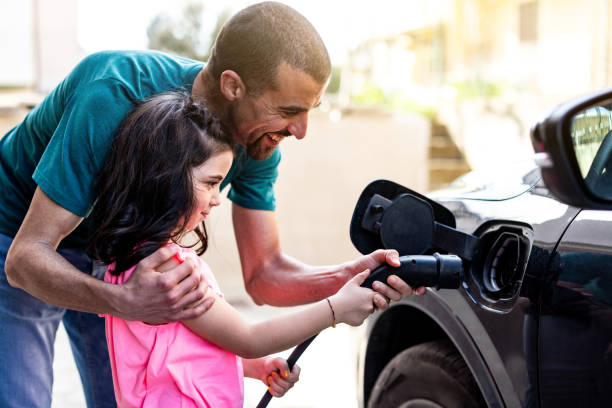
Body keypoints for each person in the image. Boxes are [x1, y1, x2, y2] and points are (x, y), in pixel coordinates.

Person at [1, 2, 424, 407]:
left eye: (310, 111)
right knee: (22, 397)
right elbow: (24, 259)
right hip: (23, 232)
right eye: (289, 110)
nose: (300, 130)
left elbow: (264, 275)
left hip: (120, 250)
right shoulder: (113, 92)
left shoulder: (256, 140)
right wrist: (125, 300)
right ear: (232, 85)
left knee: (128, 392)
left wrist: (350, 278)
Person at [89, 90, 377, 407]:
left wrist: (254, 367)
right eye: (211, 182)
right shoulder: (170, 272)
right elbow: (248, 338)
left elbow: (181, 353)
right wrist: (336, 309)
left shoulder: (135, 260)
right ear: (166, 177)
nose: (217, 197)